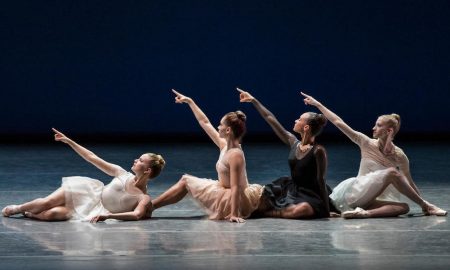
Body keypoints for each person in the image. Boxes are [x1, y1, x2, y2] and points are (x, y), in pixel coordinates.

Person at [301, 92, 447, 218]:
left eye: (378, 125)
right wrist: (318, 104)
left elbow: (409, 182)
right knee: (391, 172)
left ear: (389, 131)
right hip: (355, 193)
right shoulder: (366, 142)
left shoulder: (400, 156)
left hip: (370, 200)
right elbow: (338, 122)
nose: (373, 127)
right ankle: (427, 206)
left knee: (404, 208)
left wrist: (419, 200)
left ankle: (363, 214)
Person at [2, 128, 165, 222]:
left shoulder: (143, 198)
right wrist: (69, 141)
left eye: (141, 160)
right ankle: (18, 208)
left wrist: (108, 215)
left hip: (94, 209)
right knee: (48, 202)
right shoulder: (122, 173)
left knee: (52, 214)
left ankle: (30, 213)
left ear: (147, 170)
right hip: (87, 192)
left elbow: (136, 215)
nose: (136, 159)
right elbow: (91, 157)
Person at [151, 89, 263, 223]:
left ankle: (149, 207)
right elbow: (205, 123)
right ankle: (150, 206)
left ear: (228, 130)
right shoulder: (225, 145)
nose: (218, 127)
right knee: (185, 180)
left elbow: (235, 187)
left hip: (234, 199)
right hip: (223, 189)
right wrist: (190, 102)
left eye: (221, 125)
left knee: (186, 180)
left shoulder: (235, 154)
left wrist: (234, 214)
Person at [237, 88, 332, 219]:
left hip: (310, 194)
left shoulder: (318, 151)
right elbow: (270, 118)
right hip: (291, 188)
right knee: (263, 197)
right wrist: (254, 101)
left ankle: (266, 214)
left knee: (301, 210)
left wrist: (325, 210)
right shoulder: (294, 142)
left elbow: (321, 180)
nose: (295, 121)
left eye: (299, 119)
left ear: (306, 127)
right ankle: (262, 210)